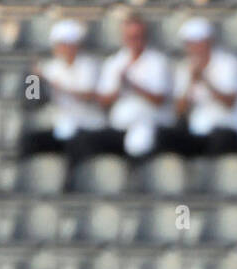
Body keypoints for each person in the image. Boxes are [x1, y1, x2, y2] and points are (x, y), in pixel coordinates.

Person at [68, 13, 172, 164]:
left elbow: (159, 99)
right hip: (119, 126)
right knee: (84, 141)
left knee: (140, 141)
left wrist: (133, 85)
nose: (134, 41)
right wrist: (119, 86)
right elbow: (104, 101)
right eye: (130, 37)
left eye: (138, 36)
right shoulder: (115, 62)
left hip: (150, 124)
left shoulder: (158, 62)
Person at [158, 19, 237, 159]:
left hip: (227, 127)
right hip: (198, 130)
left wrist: (205, 81)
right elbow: (179, 110)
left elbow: (229, 102)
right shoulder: (185, 68)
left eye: (197, 43)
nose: (194, 48)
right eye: (190, 44)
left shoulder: (229, 64)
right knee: (166, 138)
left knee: (220, 140)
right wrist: (191, 82)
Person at [19, 20, 105, 160]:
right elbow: (32, 100)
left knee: (75, 144)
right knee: (30, 140)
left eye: (65, 44)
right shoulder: (51, 67)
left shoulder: (89, 66)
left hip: (87, 124)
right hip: (61, 124)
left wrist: (56, 85)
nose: (62, 49)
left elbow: (87, 96)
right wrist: (33, 80)